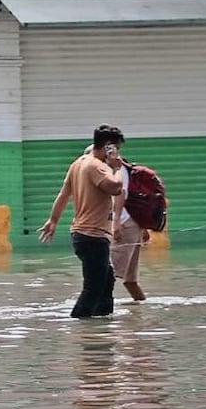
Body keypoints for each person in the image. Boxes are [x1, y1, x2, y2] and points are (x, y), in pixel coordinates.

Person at [38, 125, 125, 318]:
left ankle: (102, 320)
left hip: (82, 235)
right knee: (93, 288)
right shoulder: (97, 166)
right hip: (93, 236)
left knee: (107, 280)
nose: (118, 153)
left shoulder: (78, 163)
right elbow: (116, 187)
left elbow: (63, 194)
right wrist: (116, 167)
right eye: (117, 148)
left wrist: (53, 221)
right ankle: (81, 326)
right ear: (109, 147)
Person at [111, 160, 148, 302]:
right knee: (130, 281)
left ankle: (99, 307)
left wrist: (116, 224)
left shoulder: (117, 171)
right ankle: (140, 308)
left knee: (107, 274)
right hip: (133, 224)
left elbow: (120, 193)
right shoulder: (125, 170)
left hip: (124, 225)